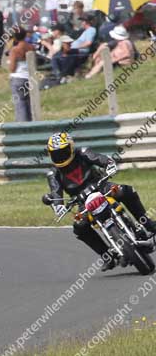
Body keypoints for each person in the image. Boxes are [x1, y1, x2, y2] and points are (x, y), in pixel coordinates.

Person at [43, 133, 156, 271]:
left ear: (71, 148)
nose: (60, 156)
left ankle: (148, 224)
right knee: (79, 226)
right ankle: (107, 255)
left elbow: (99, 158)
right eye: (56, 154)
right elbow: (56, 192)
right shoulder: (53, 173)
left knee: (126, 191)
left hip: (101, 186)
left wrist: (109, 164)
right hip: (82, 201)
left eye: (63, 152)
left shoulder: (83, 153)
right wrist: (57, 205)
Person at [52, 14, 95, 80]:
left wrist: (76, 47)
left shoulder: (91, 30)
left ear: (87, 22)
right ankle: (58, 73)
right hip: (74, 49)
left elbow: (88, 43)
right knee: (56, 56)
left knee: (61, 55)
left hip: (81, 51)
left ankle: (62, 74)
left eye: (83, 21)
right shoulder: (85, 31)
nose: (81, 23)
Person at [8, 28, 34, 122]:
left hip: (18, 77)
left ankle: (22, 124)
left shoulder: (15, 50)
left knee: (20, 103)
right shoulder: (31, 47)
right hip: (29, 77)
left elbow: (12, 68)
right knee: (28, 102)